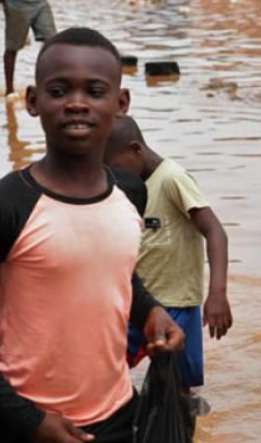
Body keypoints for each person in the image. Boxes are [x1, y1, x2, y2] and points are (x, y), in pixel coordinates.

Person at [0, 27, 184, 443]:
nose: (77, 104)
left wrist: (151, 311)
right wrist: (29, 422)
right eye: (60, 90)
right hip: (27, 422)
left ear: (120, 104)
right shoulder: (10, 204)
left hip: (120, 414)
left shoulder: (130, 193)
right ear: (33, 101)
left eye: (95, 91)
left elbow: (116, 274)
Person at [104, 117, 232, 402]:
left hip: (179, 305)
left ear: (136, 149)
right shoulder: (127, 187)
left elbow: (216, 232)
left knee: (184, 389)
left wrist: (218, 293)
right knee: (105, 368)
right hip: (140, 305)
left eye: (116, 169)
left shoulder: (172, 178)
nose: (114, 178)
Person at [2, 0, 57, 96]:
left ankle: (43, 83)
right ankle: (9, 90)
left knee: (51, 42)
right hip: (17, 5)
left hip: (40, 3)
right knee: (13, 47)